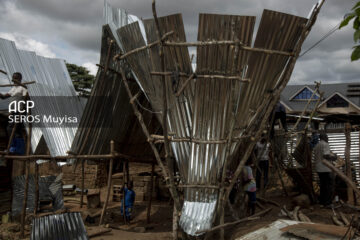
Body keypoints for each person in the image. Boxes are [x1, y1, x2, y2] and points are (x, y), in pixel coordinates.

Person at [313, 132, 337, 207]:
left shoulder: (317, 145)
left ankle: (322, 202)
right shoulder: (325, 144)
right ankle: (328, 203)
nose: (328, 138)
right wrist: (334, 157)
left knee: (323, 185)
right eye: (327, 137)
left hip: (319, 168)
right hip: (325, 168)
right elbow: (326, 155)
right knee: (328, 186)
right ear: (324, 137)